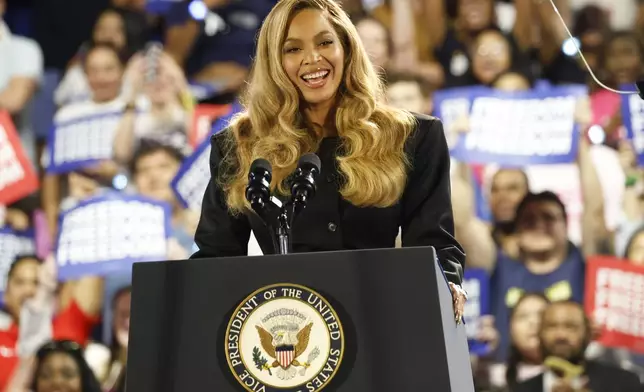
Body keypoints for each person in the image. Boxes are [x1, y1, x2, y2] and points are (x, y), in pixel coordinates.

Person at [191, 0, 467, 319]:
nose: (312, 58)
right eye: (292, 49)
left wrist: (447, 283)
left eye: (325, 42)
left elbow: (434, 246)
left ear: (346, 48)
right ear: (273, 61)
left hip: (381, 321)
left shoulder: (413, 137)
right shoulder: (238, 145)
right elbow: (215, 257)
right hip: (287, 334)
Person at [515, 301, 642, 392]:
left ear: (588, 334)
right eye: (551, 326)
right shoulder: (520, 389)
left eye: (571, 327)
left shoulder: (624, 383)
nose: (561, 335)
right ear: (539, 333)